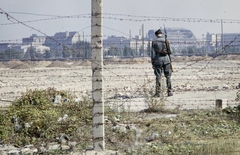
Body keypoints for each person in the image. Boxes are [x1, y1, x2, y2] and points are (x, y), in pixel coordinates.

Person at [151, 29, 173, 97]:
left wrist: (153, 62)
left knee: (158, 76)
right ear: (162, 34)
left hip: (158, 60)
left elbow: (152, 53)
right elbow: (170, 51)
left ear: (156, 35)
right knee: (168, 76)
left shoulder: (154, 41)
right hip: (166, 60)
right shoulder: (166, 40)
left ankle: (158, 93)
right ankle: (169, 92)